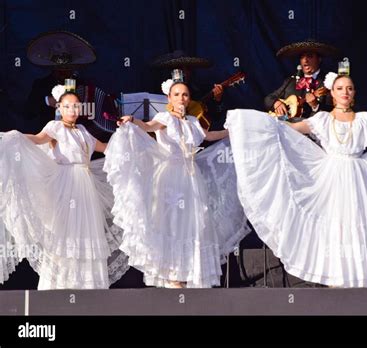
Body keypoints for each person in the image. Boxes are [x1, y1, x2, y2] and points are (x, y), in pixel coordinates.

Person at [225, 74, 367, 288]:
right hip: (331, 177)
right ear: (332, 92)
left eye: (349, 88)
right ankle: (337, 274)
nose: (345, 92)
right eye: (340, 88)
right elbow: (289, 128)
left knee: (359, 221)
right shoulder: (323, 119)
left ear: (354, 93)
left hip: (359, 176)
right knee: (335, 223)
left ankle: (363, 271)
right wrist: (253, 122)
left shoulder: (365, 119)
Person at [104, 81, 250, 288]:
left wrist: (232, 132)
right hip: (170, 176)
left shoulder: (193, 120)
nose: (181, 98)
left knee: (193, 222)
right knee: (171, 221)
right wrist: (133, 120)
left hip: (191, 177)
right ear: (169, 98)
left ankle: (188, 271)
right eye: (177, 94)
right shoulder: (164, 118)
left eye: (185, 95)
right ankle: (171, 272)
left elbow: (209, 136)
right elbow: (147, 127)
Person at [0, 92, 128, 289]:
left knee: (87, 230)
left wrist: (125, 136)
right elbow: (37, 138)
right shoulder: (55, 127)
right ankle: (61, 284)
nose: (73, 110)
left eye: (76, 106)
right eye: (68, 106)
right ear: (59, 108)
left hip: (86, 186)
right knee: (66, 231)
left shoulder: (84, 131)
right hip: (65, 185)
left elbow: (105, 148)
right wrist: (15, 136)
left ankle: (87, 285)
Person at [264, 39, 340, 122]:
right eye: (302, 57)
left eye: (310, 56)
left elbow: (332, 111)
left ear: (319, 59)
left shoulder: (328, 82)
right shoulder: (291, 81)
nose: (305, 60)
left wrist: (315, 106)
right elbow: (269, 98)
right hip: (286, 127)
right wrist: (276, 103)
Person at [151, 50, 225, 131]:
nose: (180, 74)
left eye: (183, 70)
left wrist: (218, 101)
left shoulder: (200, 89)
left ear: (189, 71)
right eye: (176, 71)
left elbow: (216, 117)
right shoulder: (166, 88)